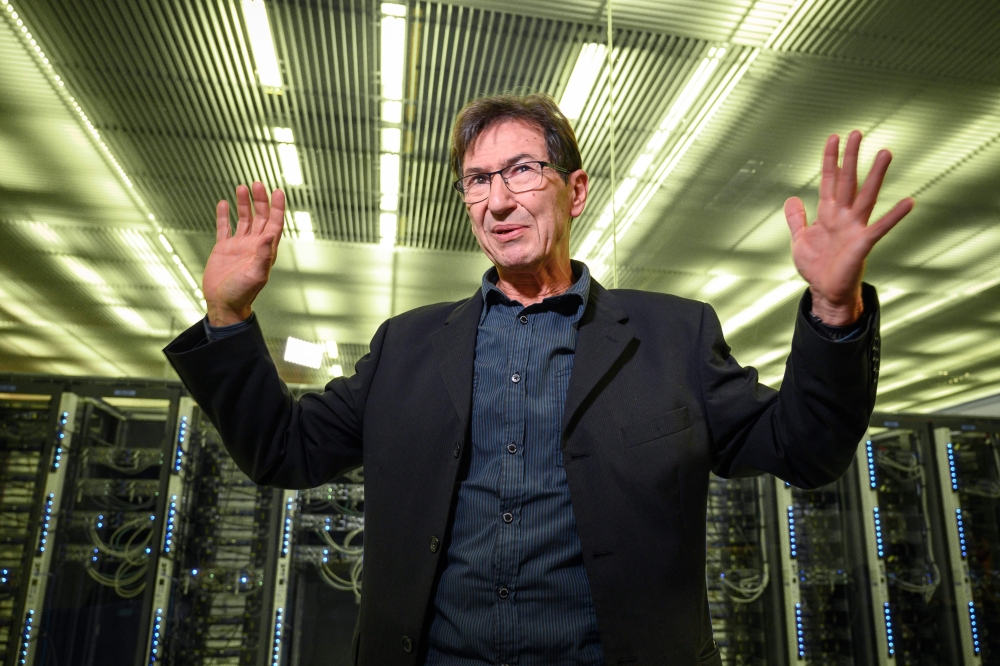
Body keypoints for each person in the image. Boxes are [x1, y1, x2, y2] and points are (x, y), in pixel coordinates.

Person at [164, 92, 913, 665]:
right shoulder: (407, 346)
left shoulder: (672, 337)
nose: (497, 200)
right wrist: (228, 318)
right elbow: (283, 450)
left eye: (522, 171)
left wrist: (834, 308)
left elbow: (806, 449)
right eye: (476, 180)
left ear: (574, 190)